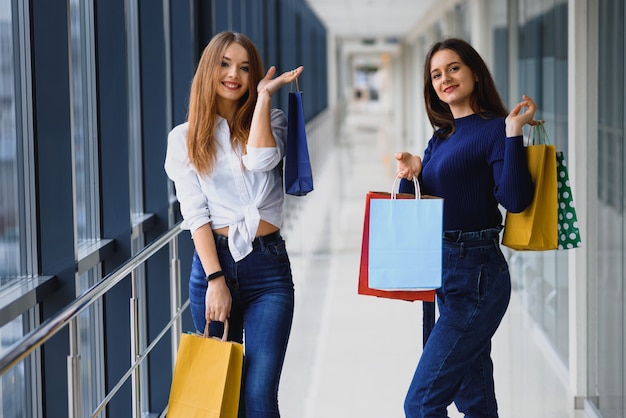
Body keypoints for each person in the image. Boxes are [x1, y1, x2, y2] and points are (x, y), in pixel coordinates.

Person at [164, 31, 303, 418]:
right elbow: (195, 215)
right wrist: (215, 280)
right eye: (225, 64)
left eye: (244, 67)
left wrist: (262, 98)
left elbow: (261, 161)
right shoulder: (184, 138)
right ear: (209, 69)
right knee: (221, 394)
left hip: (269, 269)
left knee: (259, 396)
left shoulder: (271, 119)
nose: (234, 74)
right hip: (214, 267)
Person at [395, 37, 536, 417]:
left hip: (477, 274)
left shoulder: (494, 130)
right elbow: (419, 205)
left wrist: (512, 134)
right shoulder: (441, 136)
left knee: (421, 403)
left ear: (474, 71)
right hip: (444, 270)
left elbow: (515, 199)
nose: (445, 79)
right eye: (437, 74)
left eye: (453, 68)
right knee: (474, 400)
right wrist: (412, 173)